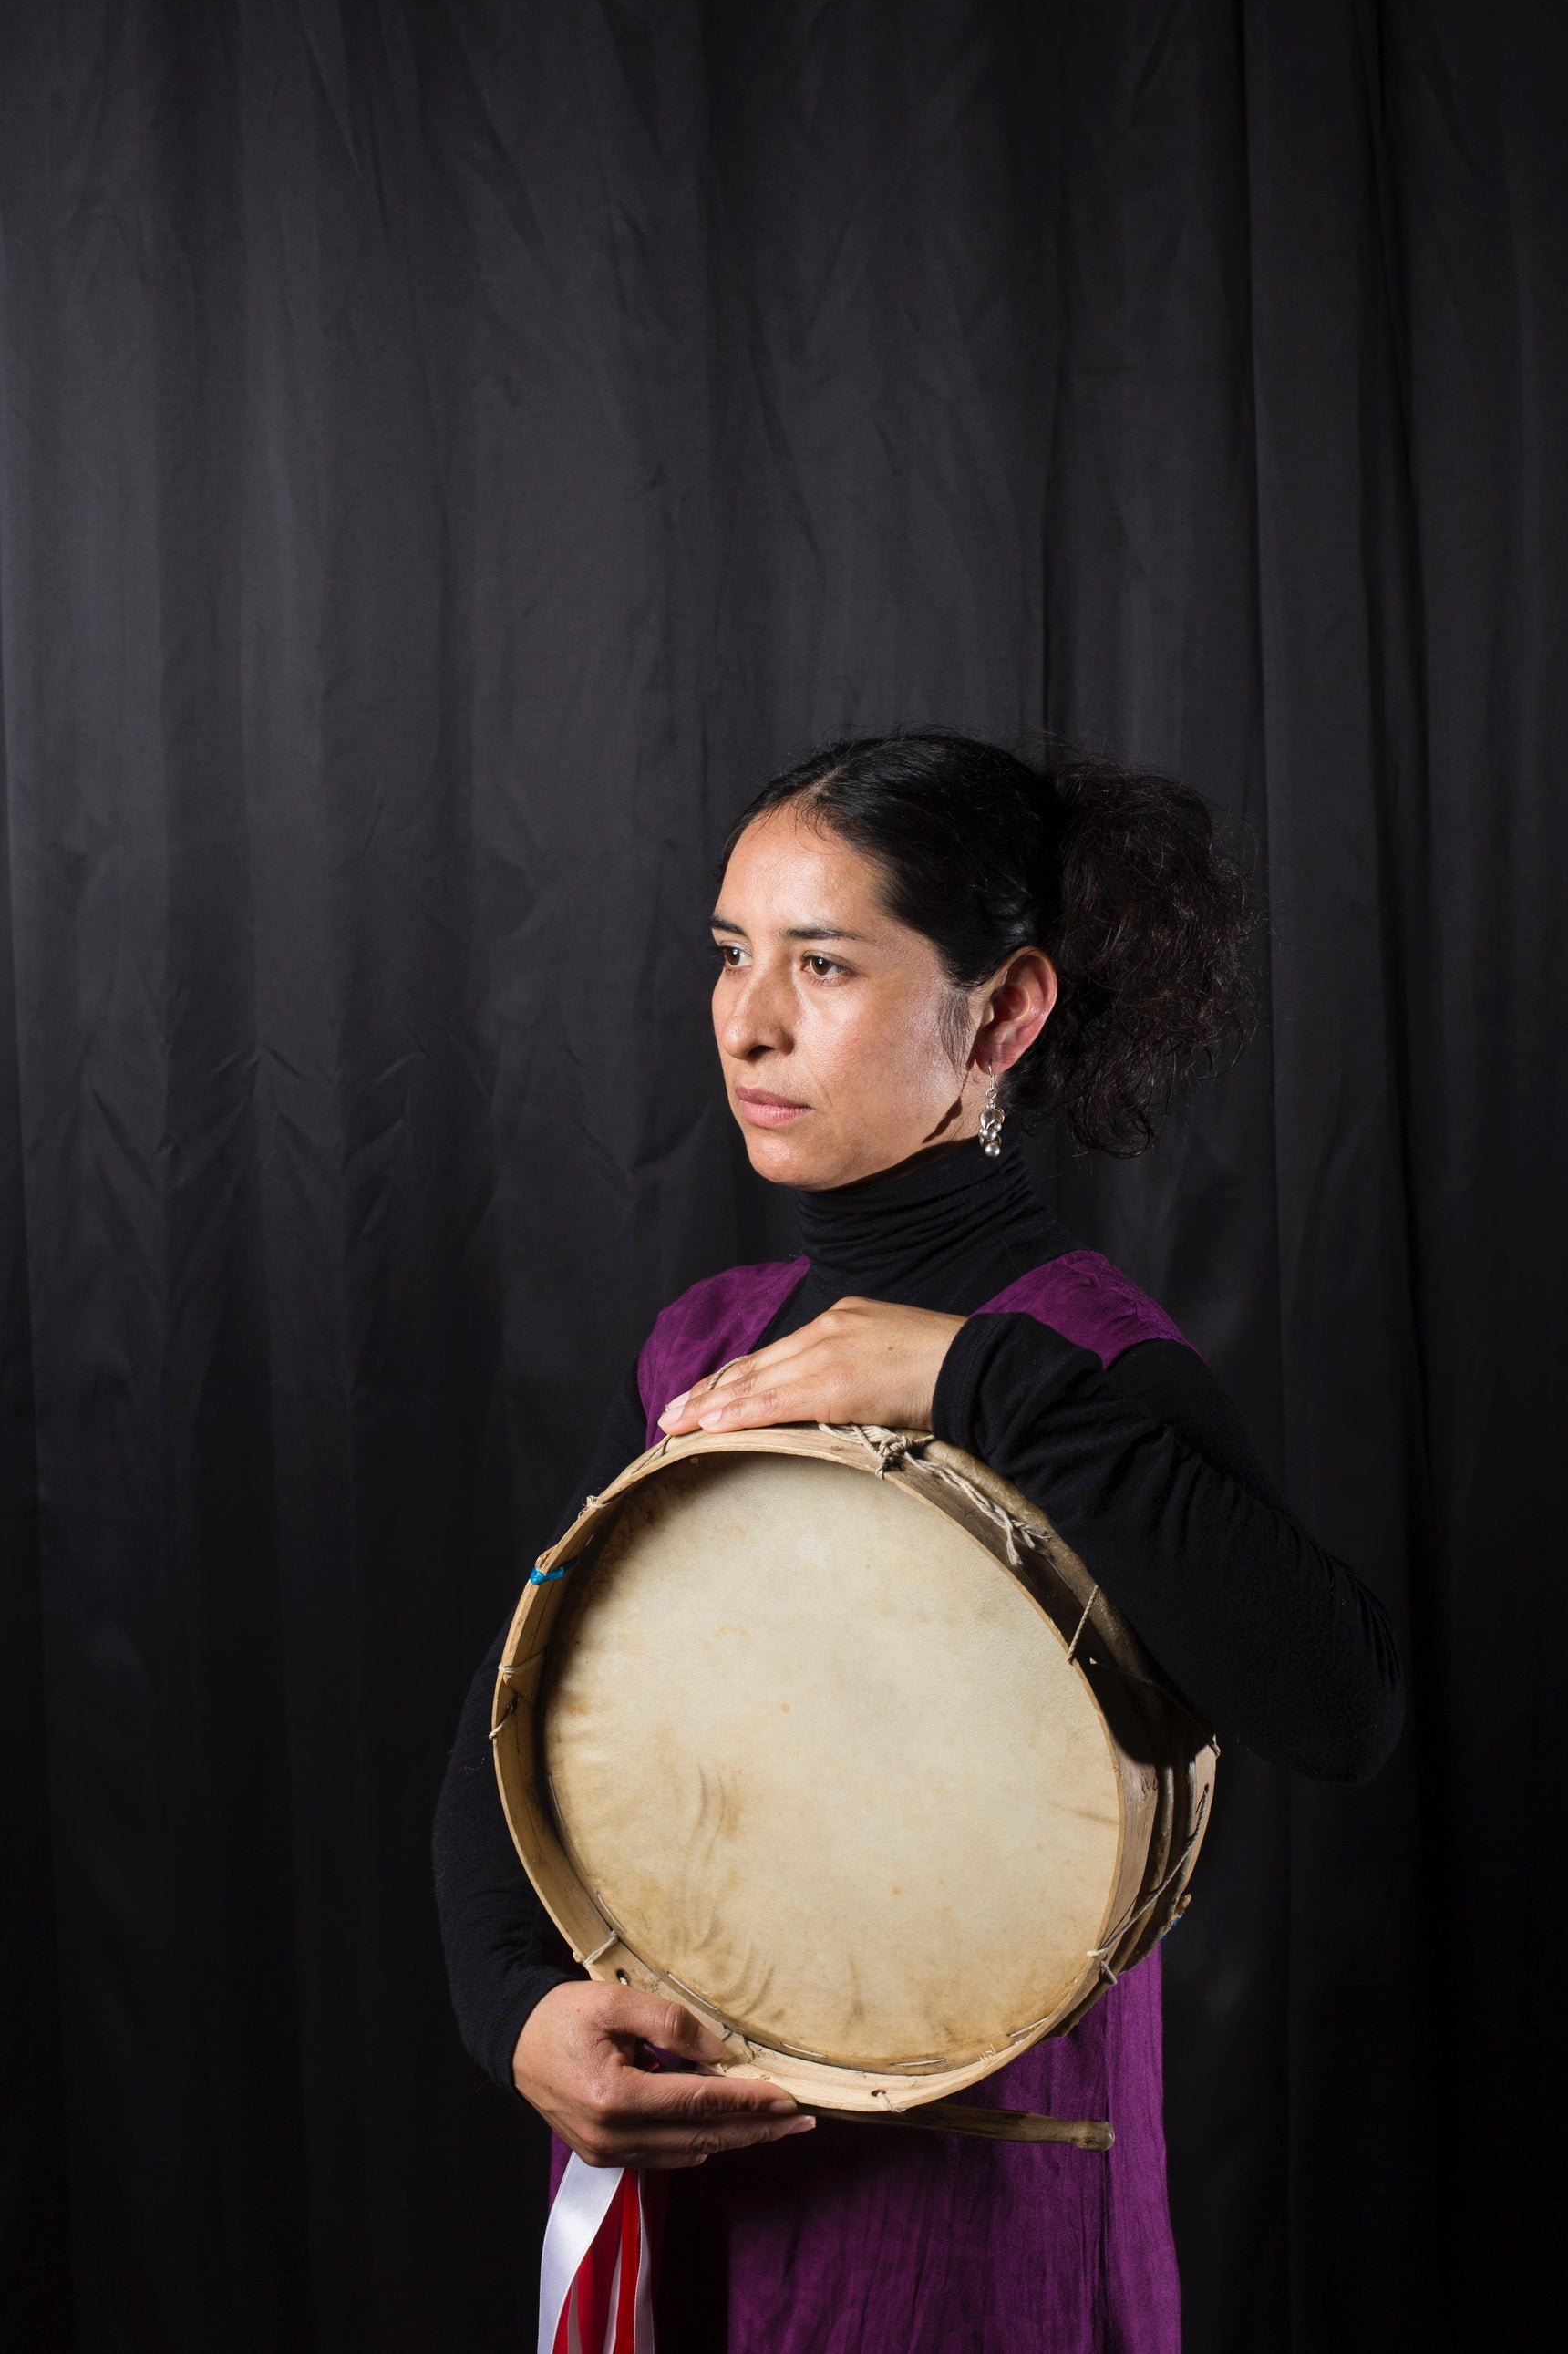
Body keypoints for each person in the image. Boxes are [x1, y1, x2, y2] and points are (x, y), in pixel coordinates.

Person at [434, 732, 1402, 2353]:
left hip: (965, 2234)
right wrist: (515, 2009)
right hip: (690, 2175)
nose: (749, 1020)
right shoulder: (712, 1337)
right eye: (732, 954)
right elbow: (518, 1703)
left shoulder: (1084, 1351)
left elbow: (1339, 1700)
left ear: (1003, 1014)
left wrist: (977, 1379)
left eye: (824, 964)